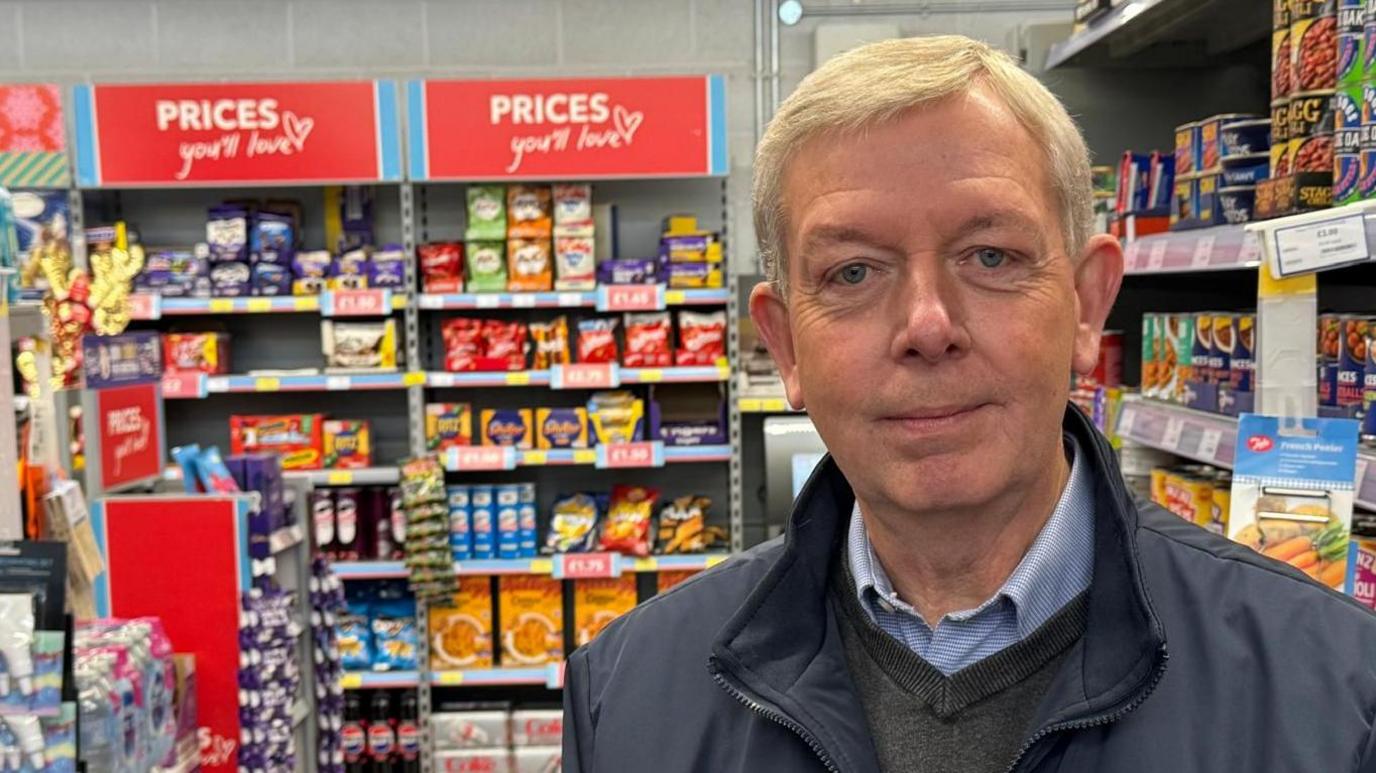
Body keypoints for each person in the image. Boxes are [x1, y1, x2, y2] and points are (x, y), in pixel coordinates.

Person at [562, 35, 1376, 772]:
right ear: (784, 346)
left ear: (1089, 306)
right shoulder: (625, 699)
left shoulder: (1339, 696)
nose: (927, 325)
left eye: (990, 255)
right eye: (853, 271)